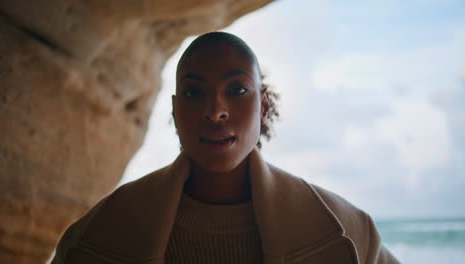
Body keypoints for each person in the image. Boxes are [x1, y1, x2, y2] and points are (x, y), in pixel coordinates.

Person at [51, 32, 399, 264]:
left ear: (263, 107)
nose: (214, 110)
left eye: (237, 90)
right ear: (174, 109)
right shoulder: (92, 238)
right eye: (193, 92)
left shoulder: (350, 232)